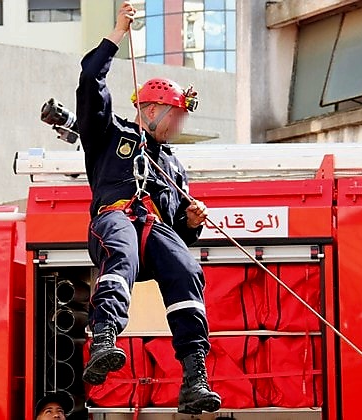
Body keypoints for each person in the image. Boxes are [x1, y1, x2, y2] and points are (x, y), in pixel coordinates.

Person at [75, 1, 221, 415]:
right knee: (121, 251)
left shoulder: (173, 166)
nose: (179, 126)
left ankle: (194, 375)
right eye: (175, 116)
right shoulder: (108, 133)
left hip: (155, 230)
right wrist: (119, 31)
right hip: (115, 217)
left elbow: (178, 231)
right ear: (152, 110)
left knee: (187, 269)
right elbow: (89, 79)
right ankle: (104, 336)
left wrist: (190, 223)